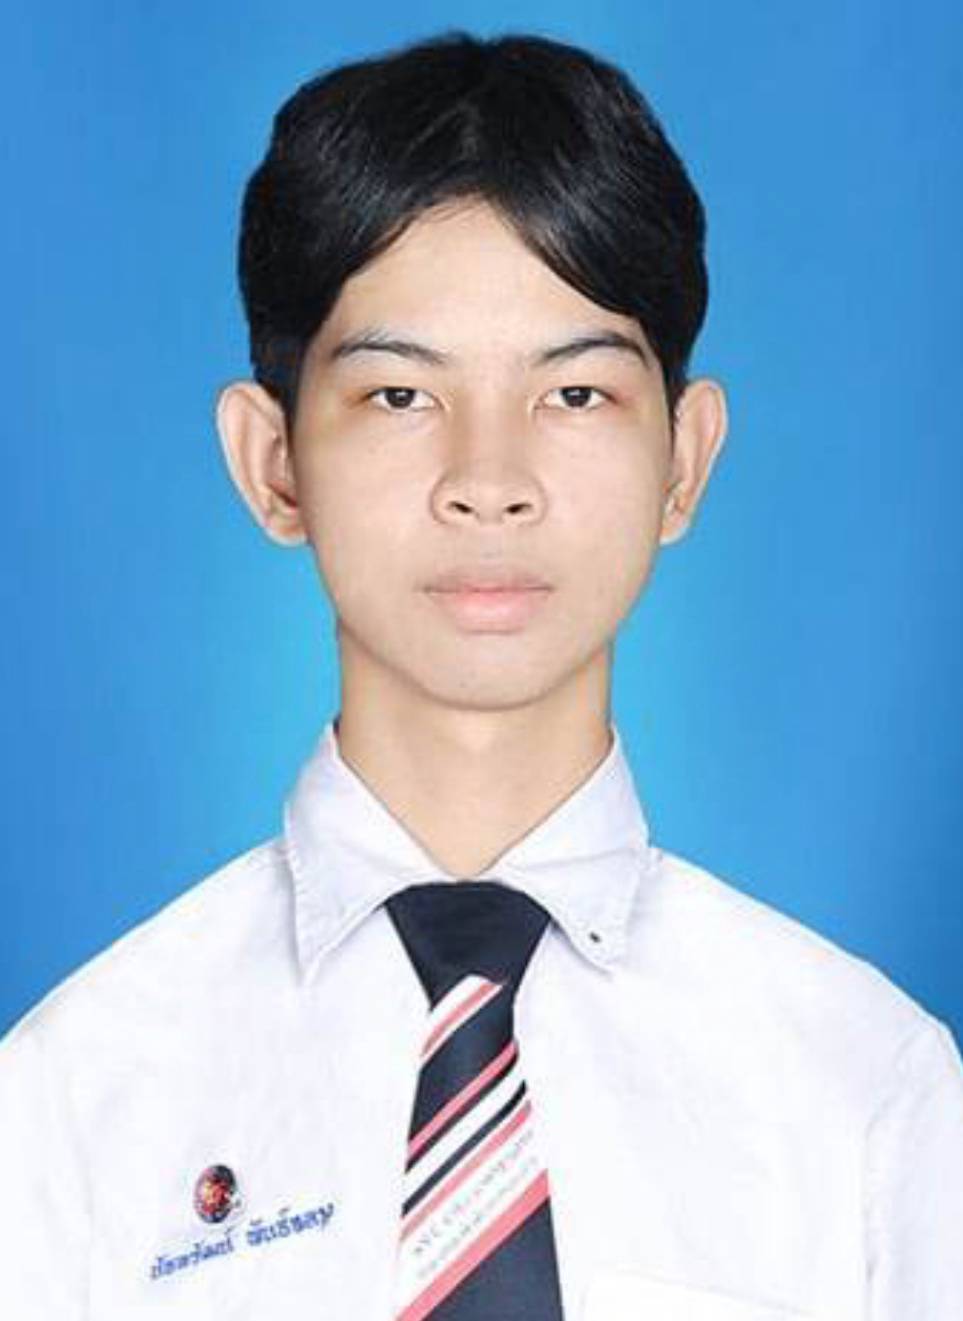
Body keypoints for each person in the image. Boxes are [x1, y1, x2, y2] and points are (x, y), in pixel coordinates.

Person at [1, 28, 961, 1321]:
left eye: (575, 395)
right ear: (272, 463)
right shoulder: (72, 1100)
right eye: (401, 396)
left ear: (684, 460)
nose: (490, 481)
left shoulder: (867, 1092)